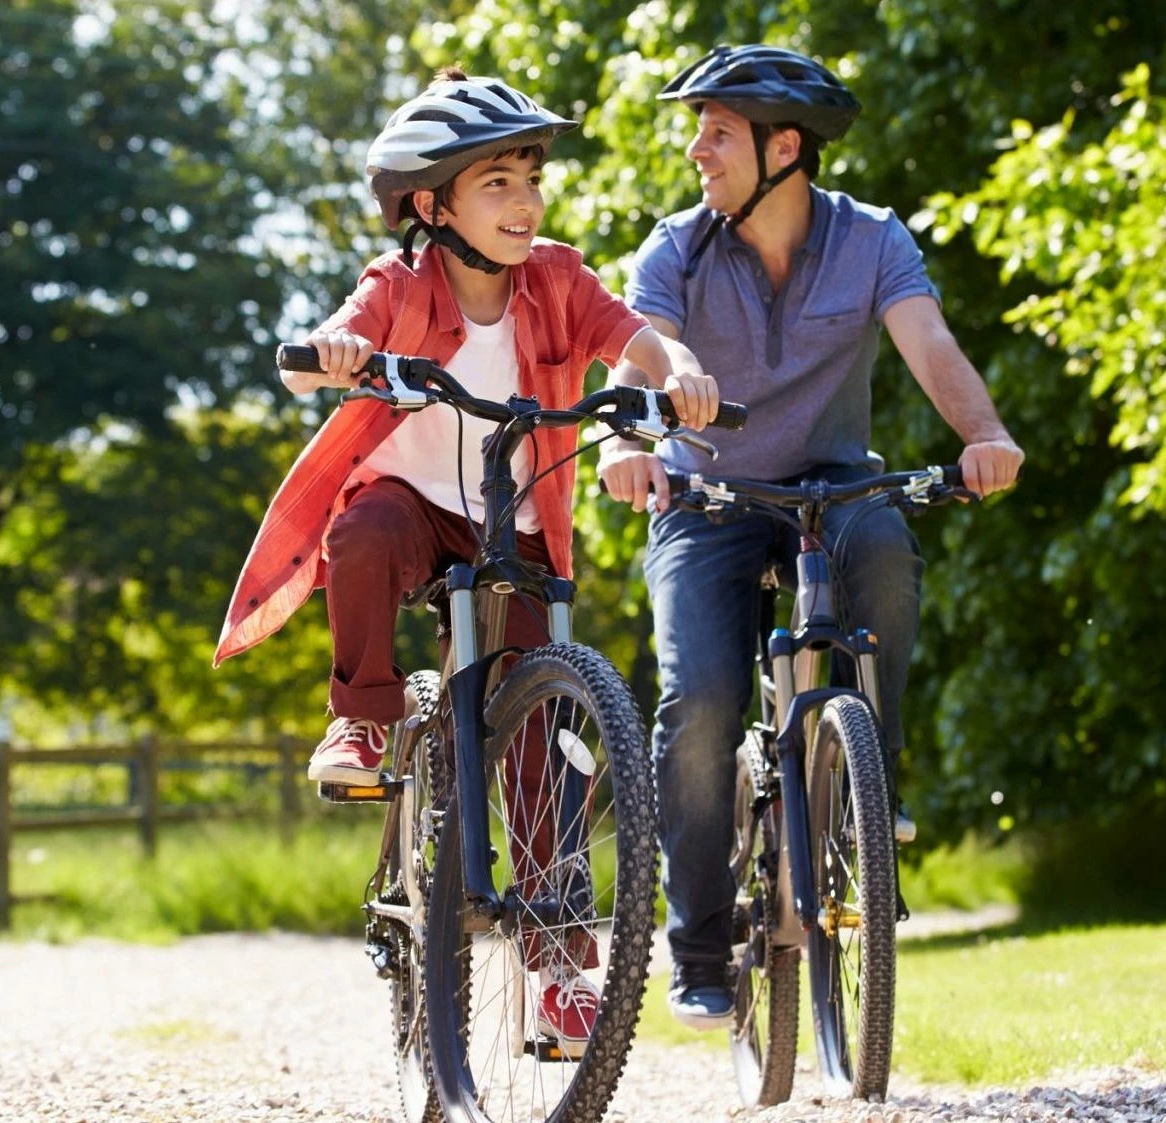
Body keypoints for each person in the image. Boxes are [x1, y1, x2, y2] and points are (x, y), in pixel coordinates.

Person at [214, 68, 718, 1047]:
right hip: (408, 505)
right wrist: (335, 351)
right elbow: (348, 324)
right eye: (497, 183)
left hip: (511, 518)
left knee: (546, 731)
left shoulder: (557, 279)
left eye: (530, 178)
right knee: (358, 536)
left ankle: (557, 963)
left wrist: (679, 373)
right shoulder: (399, 282)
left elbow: (629, 336)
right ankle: (359, 721)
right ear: (429, 202)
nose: (525, 202)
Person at [597, 44, 1025, 1029]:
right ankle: (698, 944)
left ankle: (868, 776)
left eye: (715, 132)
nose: (696, 150)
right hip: (705, 496)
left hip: (831, 487)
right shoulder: (674, 246)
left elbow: (928, 343)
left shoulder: (871, 239)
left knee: (882, 544)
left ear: (782, 147)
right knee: (698, 702)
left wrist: (983, 437)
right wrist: (628, 439)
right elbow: (648, 352)